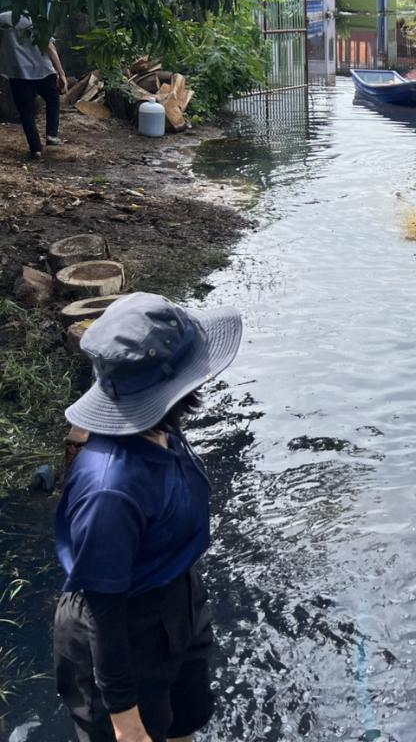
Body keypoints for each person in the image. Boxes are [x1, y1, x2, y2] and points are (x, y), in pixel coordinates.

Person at [53, 293, 244, 742]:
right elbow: (103, 610)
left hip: (175, 596)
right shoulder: (110, 488)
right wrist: (126, 722)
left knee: (183, 721)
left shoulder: (161, 430)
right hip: (118, 632)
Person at [0, 11, 68, 159]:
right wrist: (61, 73)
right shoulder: (36, 19)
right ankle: (52, 134)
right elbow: (49, 47)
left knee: (26, 113)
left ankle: (35, 149)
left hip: (18, 72)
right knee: (53, 100)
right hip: (43, 69)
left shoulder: (3, 19)